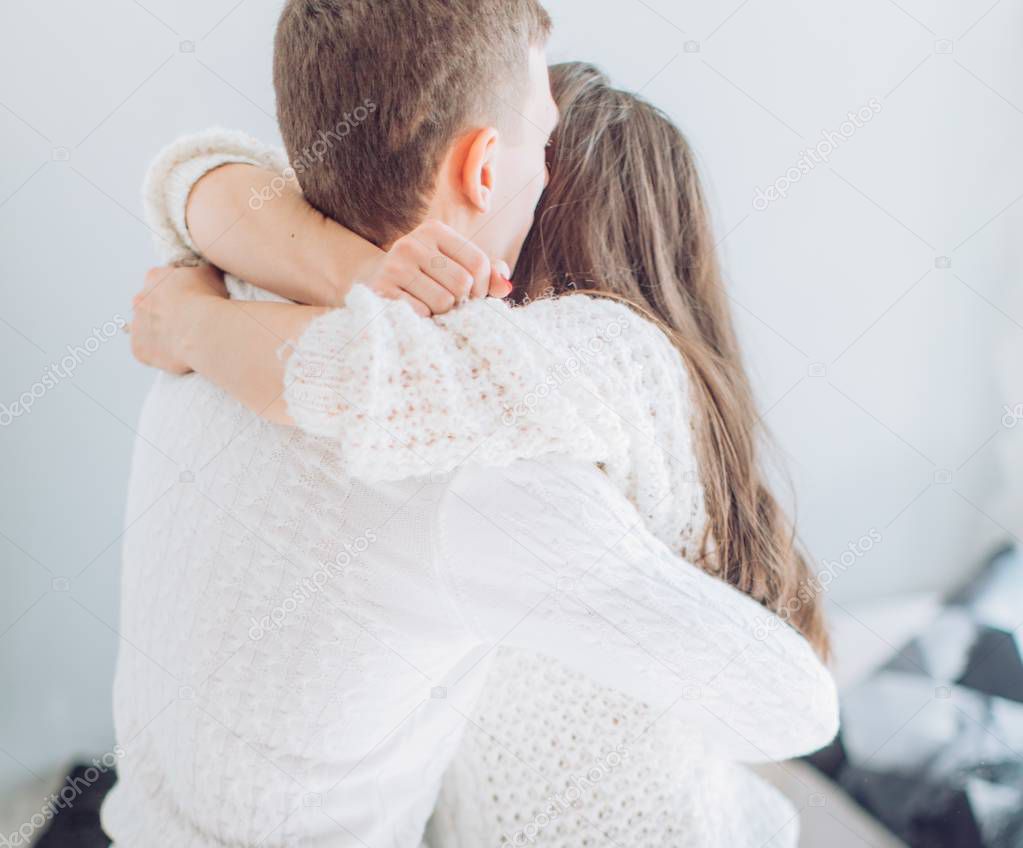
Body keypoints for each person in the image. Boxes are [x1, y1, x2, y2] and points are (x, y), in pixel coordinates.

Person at [125, 51, 837, 848]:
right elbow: (202, 172)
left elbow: (367, 374)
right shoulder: (573, 373)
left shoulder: (590, 357)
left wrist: (192, 322)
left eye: (528, 155)